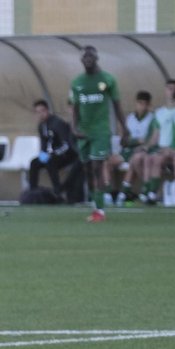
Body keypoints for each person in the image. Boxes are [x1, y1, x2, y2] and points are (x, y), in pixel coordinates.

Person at [69, 45, 126, 222]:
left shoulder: (107, 80)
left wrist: (125, 129)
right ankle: (97, 204)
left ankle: (100, 211)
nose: (87, 60)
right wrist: (74, 128)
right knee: (87, 170)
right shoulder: (77, 82)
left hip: (100, 132)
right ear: (81, 60)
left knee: (97, 167)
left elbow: (117, 106)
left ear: (96, 58)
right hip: (84, 133)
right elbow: (75, 108)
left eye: (90, 57)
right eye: (84, 57)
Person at [29, 99, 79, 199]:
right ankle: (32, 190)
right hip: (53, 155)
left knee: (50, 162)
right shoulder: (41, 126)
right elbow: (44, 144)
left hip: (67, 155)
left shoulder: (58, 123)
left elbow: (66, 145)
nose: (40, 114)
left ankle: (57, 189)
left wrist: (53, 154)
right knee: (34, 163)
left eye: (42, 111)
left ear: (48, 110)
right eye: (37, 112)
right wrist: (43, 154)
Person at [120, 91, 160, 204]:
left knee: (136, 159)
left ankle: (125, 194)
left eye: (145, 104)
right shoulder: (130, 119)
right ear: (136, 103)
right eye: (140, 103)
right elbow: (123, 141)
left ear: (149, 105)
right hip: (129, 150)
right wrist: (136, 141)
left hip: (144, 151)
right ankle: (108, 194)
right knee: (106, 161)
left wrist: (142, 145)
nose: (142, 107)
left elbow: (151, 140)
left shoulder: (152, 119)